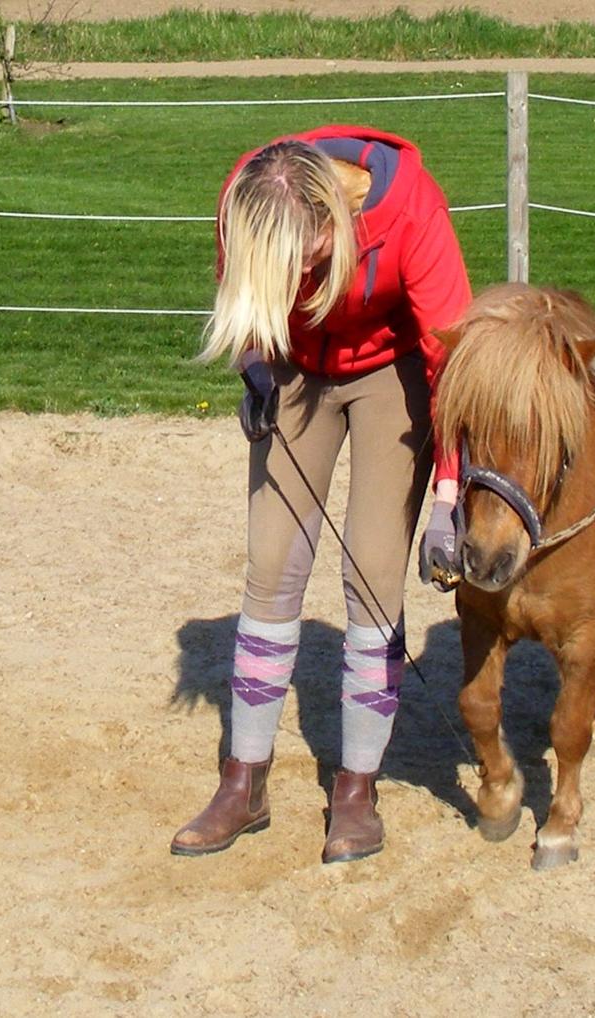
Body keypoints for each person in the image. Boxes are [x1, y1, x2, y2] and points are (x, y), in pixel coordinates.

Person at [171, 125, 469, 864]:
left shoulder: (414, 216)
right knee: (270, 565)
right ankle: (245, 782)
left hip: (392, 375)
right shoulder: (251, 199)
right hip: (297, 364)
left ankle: (356, 790)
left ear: (329, 215)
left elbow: (453, 363)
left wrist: (447, 494)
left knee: (370, 573)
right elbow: (243, 292)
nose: (297, 275)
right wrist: (253, 365)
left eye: (305, 259)